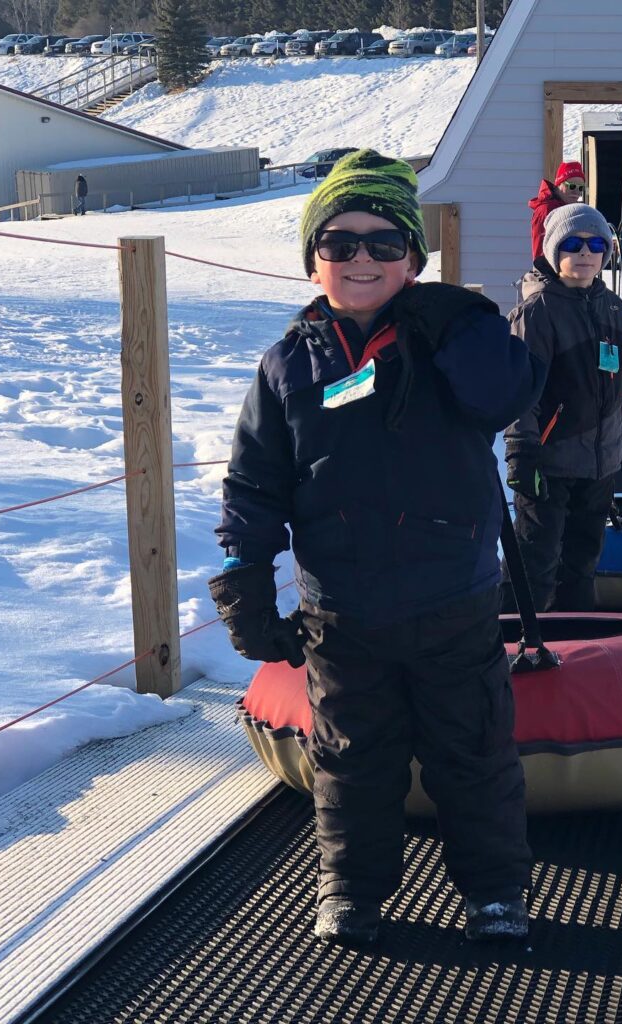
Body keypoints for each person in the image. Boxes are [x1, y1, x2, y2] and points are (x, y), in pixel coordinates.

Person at [208, 150, 545, 946]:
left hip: (453, 599)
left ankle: (495, 893)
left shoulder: (452, 337)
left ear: (412, 259)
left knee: (473, 753)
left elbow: (506, 396)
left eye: (384, 243)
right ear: (313, 259)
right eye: (340, 242)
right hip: (342, 611)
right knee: (351, 758)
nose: (362, 259)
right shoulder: (289, 364)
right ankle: (351, 891)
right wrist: (244, 587)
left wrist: (465, 324)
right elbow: (254, 485)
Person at [505, 202, 622, 612]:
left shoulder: (613, 308)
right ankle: (515, 634)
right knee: (536, 562)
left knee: (582, 562)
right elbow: (520, 392)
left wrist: (618, 440)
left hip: (598, 463)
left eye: (596, 245)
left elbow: (619, 383)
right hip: (550, 461)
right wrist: (522, 453)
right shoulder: (537, 311)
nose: (585, 253)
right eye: (573, 244)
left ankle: (575, 636)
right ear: (554, 250)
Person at [528, 160, 586, 260]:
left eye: (581, 188)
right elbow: (541, 252)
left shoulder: (570, 209)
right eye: (572, 186)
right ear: (559, 184)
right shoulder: (547, 210)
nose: (577, 192)